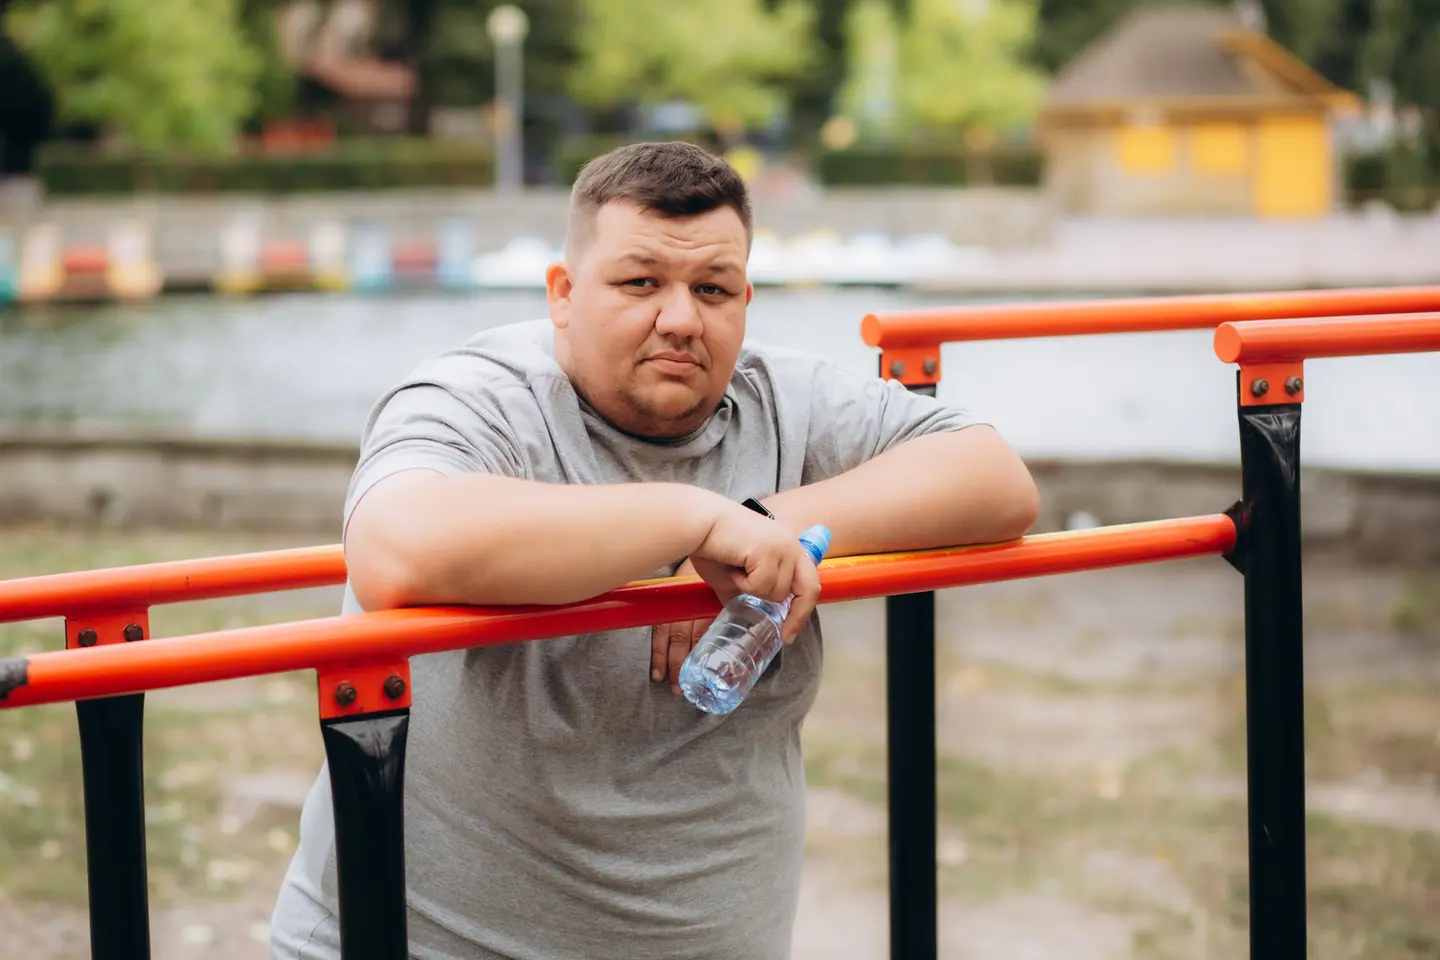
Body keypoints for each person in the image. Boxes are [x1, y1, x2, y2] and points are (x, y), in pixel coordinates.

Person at [269, 141, 1039, 960]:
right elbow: (395, 549)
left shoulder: (783, 398)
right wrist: (690, 521)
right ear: (564, 294)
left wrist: (763, 523)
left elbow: (998, 481)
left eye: (713, 289)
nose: (681, 319)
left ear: (745, 299)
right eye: (640, 282)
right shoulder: (479, 396)